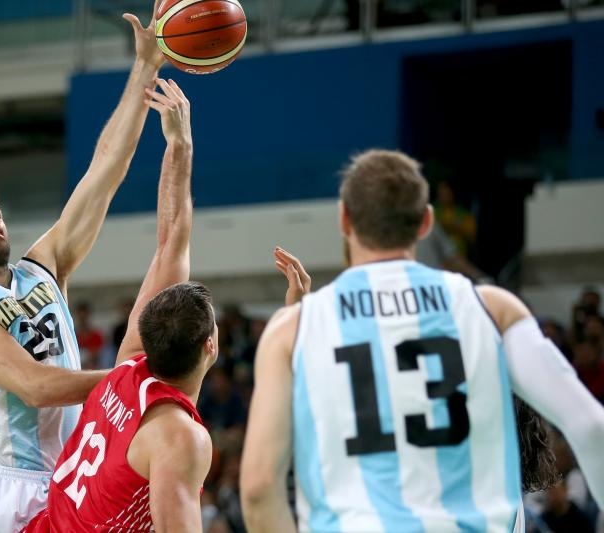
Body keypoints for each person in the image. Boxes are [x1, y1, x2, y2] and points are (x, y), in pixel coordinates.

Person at [240, 149, 604, 532]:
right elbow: (592, 425)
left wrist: (300, 317)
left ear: (344, 220)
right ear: (426, 222)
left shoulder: (290, 329)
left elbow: (259, 488)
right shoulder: (493, 309)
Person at [0, 5, 167, 530]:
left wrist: (145, 67)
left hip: (68, 471)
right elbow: (33, 386)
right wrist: (135, 378)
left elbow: (106, 168)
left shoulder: (45, 267)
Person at [24, 77, 212, 532]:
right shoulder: (179, 437)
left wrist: (179, 147)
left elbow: (170, 246)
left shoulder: (127, 369)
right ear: (210, 346)